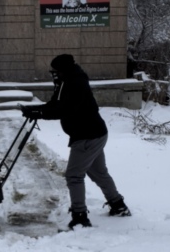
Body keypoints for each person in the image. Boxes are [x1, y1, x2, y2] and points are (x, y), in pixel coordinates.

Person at [21, 54, 131, 229]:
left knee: (74, 176)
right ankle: (118, 206)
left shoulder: (75, 83)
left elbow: (66, 110)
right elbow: (55, 104)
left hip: (87, 136)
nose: (53, 74)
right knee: (99, 173)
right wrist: (36, 109)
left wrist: (41, 114)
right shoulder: (66, 81)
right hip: (93, 133)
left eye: (55, 71)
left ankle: (79, 217)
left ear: (63, 70)